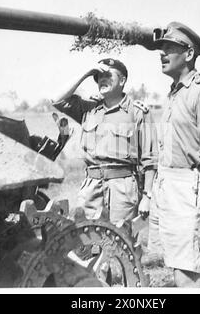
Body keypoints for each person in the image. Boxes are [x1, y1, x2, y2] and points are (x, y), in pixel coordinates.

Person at [148, 22, 200, 288]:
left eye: (170, 48)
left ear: (189, 54)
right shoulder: (174, 94)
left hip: (190, 192)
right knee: (193, 272)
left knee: (186, 277)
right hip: (169, 189)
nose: (162, 53)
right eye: (161, 48)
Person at [51, 58, 158, 227]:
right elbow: (56, 100)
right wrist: (86, 72)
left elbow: (150, 159)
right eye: (98, 76)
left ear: (122, 81)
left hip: (123, 187)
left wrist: (147, 196)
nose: (102, 79)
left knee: (122, 240)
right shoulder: (88, 108)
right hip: (91, 185)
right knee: (84, 239)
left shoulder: (137, 112)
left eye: (108, 75)